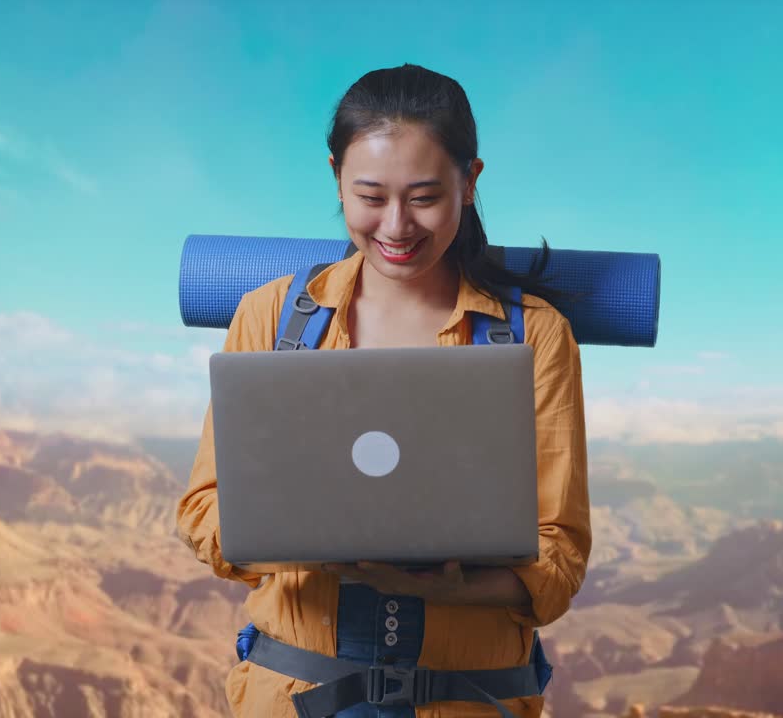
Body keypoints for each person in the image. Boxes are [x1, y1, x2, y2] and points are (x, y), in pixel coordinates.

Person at [176, 63, 591, 718]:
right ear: (336, 179)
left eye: (424, 197)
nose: (396, 226)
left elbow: (559, 557)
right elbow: (203, 508)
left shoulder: (534, 336)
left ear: (470, 182)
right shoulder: (272, 318)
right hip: (292, 698)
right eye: (370, 196)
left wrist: (453, 587)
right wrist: (304, 535)